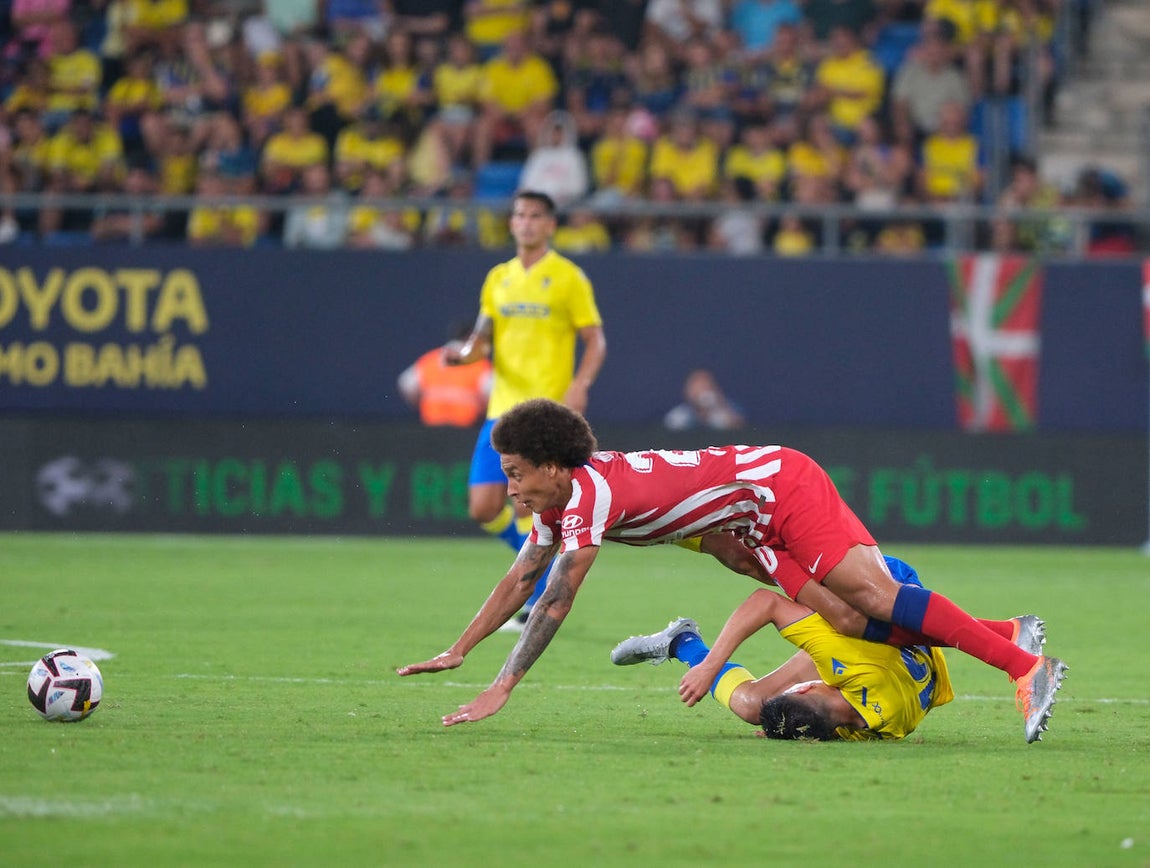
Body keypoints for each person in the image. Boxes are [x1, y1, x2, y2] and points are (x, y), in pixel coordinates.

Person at [396, 398, 1068, 744]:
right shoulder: (560, 505)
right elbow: (519, 582)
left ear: (551, 464)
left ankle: (1023, 669)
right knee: (843, 617)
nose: (510, 489)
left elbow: (552, 603)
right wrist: (459, 648)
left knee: (876, 595)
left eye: (516, 474)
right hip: (750, 527)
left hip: (778, 487)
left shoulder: (590, 498)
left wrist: (503, 686)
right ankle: (1011, 632)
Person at [610, 556, 1036, 740]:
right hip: (880, 589)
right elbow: (767, 604)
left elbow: (765, 603)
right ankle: (1007, 633)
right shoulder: (846, 661)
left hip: (875, 631)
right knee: (784, 578)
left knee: (752, 706)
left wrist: (783, 721)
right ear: (808, 690)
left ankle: (684, 643)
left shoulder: (875, 724)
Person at [442, 192, 606, 625]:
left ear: (551, 225)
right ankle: (544, 572)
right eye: (520, 215)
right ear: (512, 224)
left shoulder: (568, 277)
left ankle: (534, 590)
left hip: (543, 412)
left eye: (536, 216)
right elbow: (482, 338)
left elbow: (595, 340)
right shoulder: (499, 277)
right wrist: (463, 354)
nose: (527, 223)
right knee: (482, 507)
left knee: (525, 505)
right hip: (501, 409)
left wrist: (580, 384)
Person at [397, 325, 493, 428]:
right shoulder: (478, 363)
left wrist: (420, 403)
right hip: (465, 429)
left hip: (431, 426)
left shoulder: (431, 360)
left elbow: (406, 384)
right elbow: (490, 391)